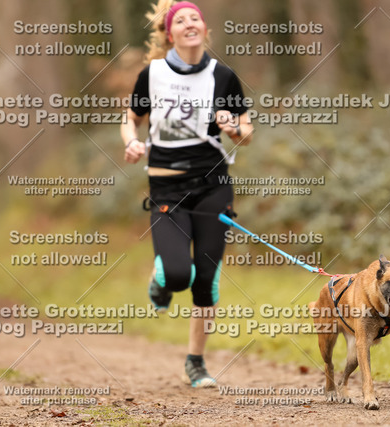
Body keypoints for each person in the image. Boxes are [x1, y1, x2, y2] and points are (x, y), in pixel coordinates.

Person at [120, 0, 253, 388]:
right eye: (181, 20)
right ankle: (162, 277)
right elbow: (131, 119)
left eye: (195, 18)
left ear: (204, 29)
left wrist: (233, 128)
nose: (190, 23)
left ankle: (196, 362)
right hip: (167, 187)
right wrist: (131, 142)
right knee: (179, 275)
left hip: (213, 187)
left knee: (206, 279)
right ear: (169, 34)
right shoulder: (153, 74)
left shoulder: (223, 76)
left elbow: (246, 132)